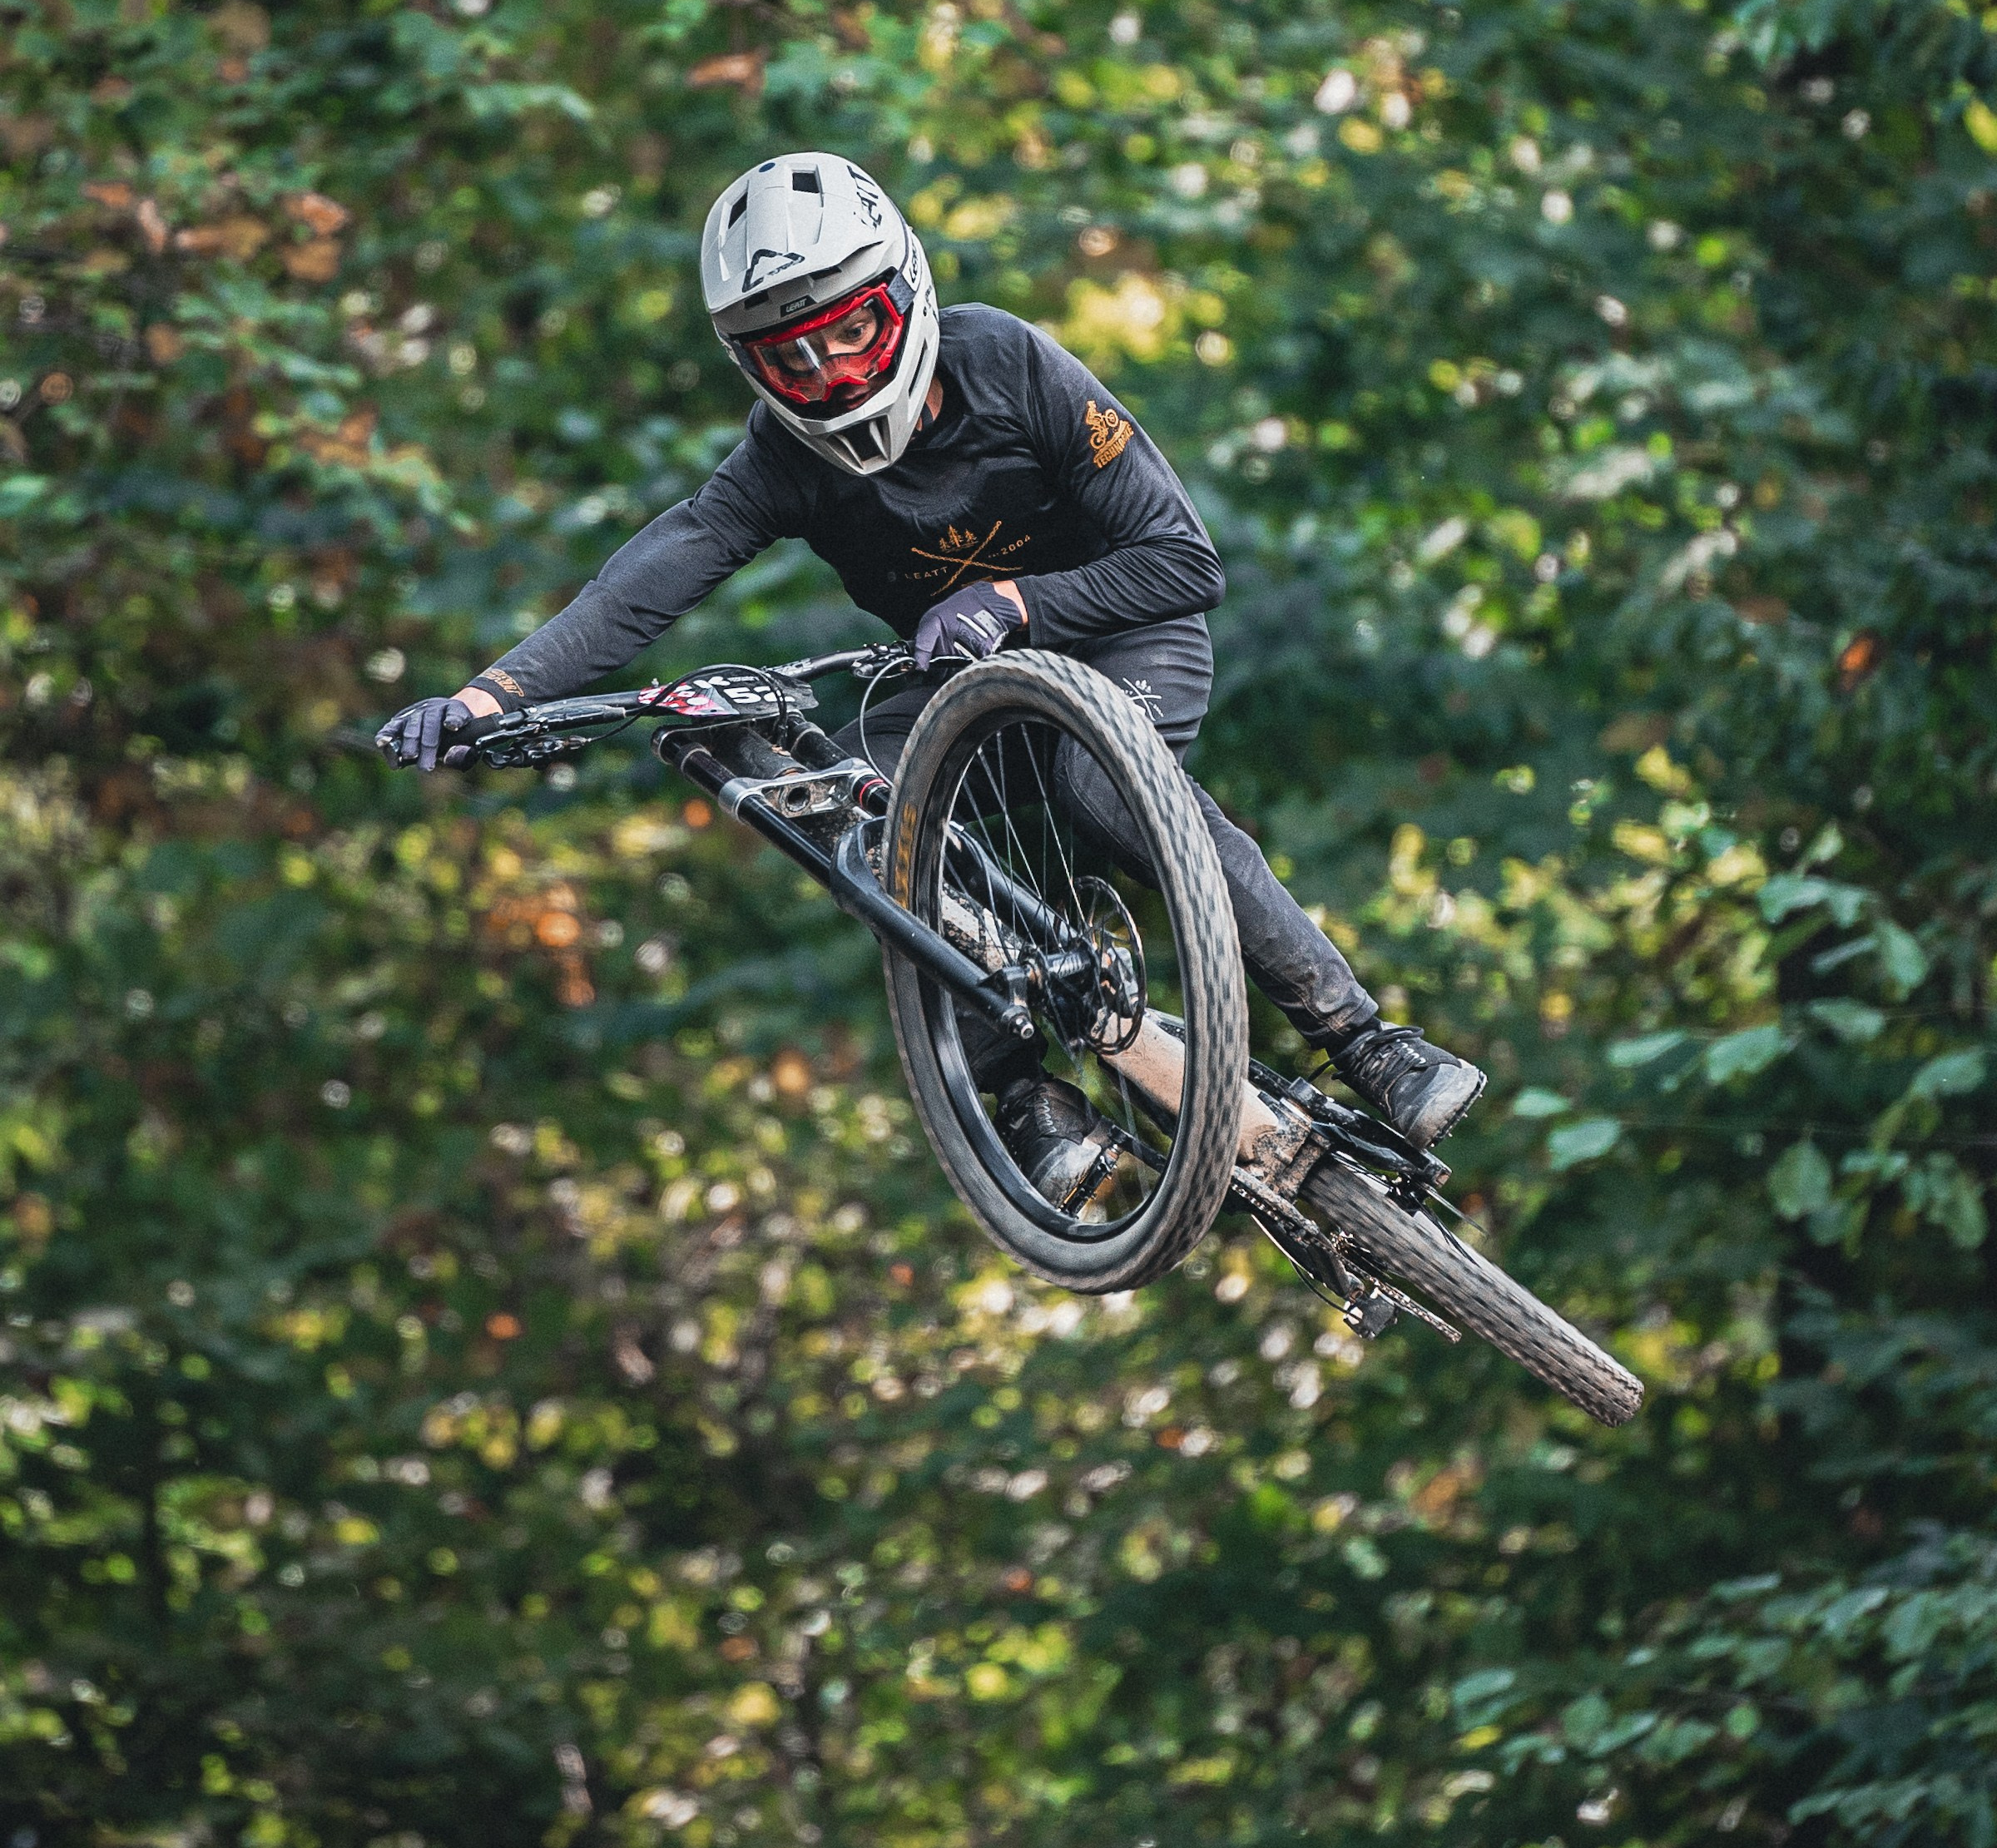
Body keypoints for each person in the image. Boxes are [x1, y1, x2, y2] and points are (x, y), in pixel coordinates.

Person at [379, 152, 1484, 1196]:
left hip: (1123, 639)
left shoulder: (1007, 362)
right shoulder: (782, 456)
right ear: (752, 367)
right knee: (852, 816)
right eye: (791, 360)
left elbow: (1184, 562)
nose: (829, 376)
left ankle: (1369, 1044)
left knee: (1102, 786)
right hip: (968, 687)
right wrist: (489, 698)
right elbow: (645, 580)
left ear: (905, 293)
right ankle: (1025, 1097)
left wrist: (1016, 604)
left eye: (852, 333)